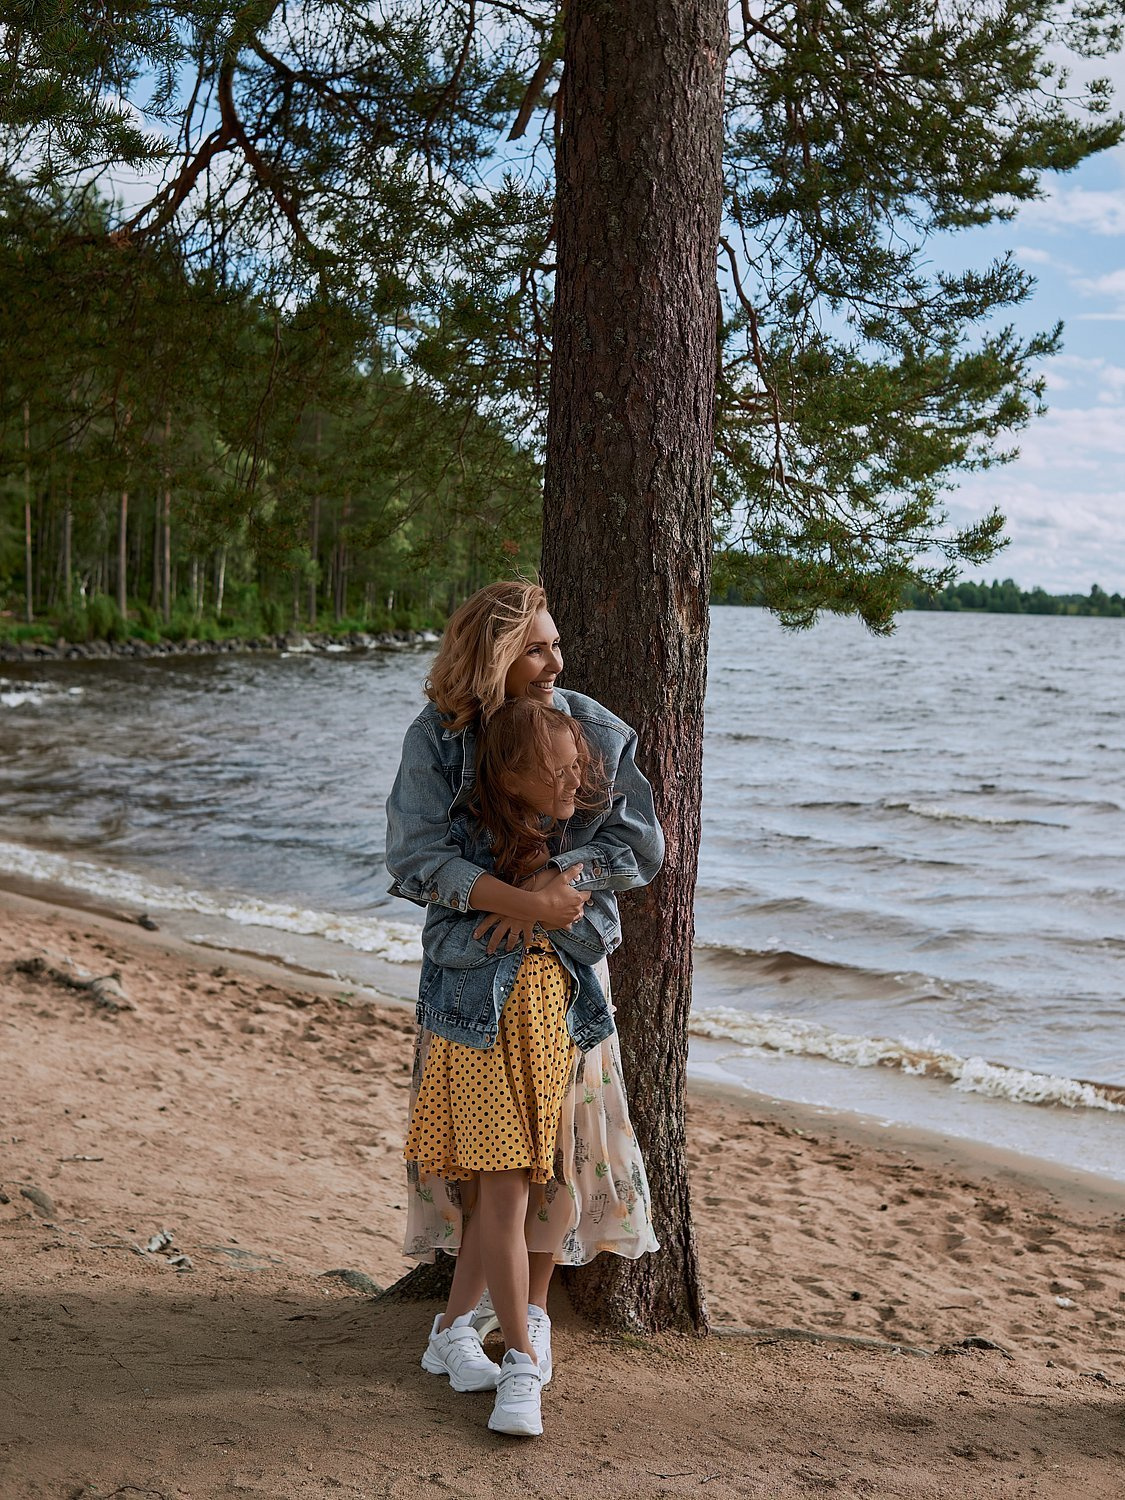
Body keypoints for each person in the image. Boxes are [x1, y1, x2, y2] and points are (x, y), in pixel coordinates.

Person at [385, 579, 664, 1437]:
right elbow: (414, 856)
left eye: (555, 644)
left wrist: (554, 882)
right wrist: (514, 901)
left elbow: (640, 843)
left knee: (555, 1157)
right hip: (475, 981)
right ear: (492, 655)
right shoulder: (438, 739)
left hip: (568, 975)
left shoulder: (589, 727)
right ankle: (477, 1329)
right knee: (494, 1168)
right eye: (535, 648)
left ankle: (526, 1318)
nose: (555, 663)